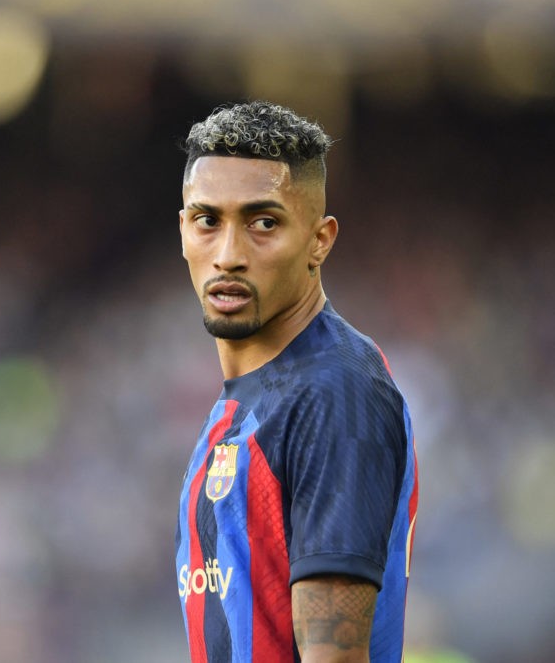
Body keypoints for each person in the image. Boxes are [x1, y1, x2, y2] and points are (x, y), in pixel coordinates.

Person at [174, 100, 419, 662]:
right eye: (208, 221)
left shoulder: (334, 392)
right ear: (184, 230)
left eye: (264, 223)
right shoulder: (250, 401)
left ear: (320, 240)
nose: (228, 255)